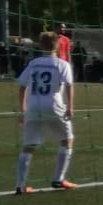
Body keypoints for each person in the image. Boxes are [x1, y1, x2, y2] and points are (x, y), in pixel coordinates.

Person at [15, 30, 79, 193]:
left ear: (40, 45)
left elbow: (22, 86)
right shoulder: (62, 64)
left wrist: (23, 109)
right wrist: (70, 107)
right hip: (54, 105)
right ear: (57, 46)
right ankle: (59, 179)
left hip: (33, 106)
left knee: (28, 146)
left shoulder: (33, 63)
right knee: (67, 140)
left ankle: (20, 185)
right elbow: (69, 85)